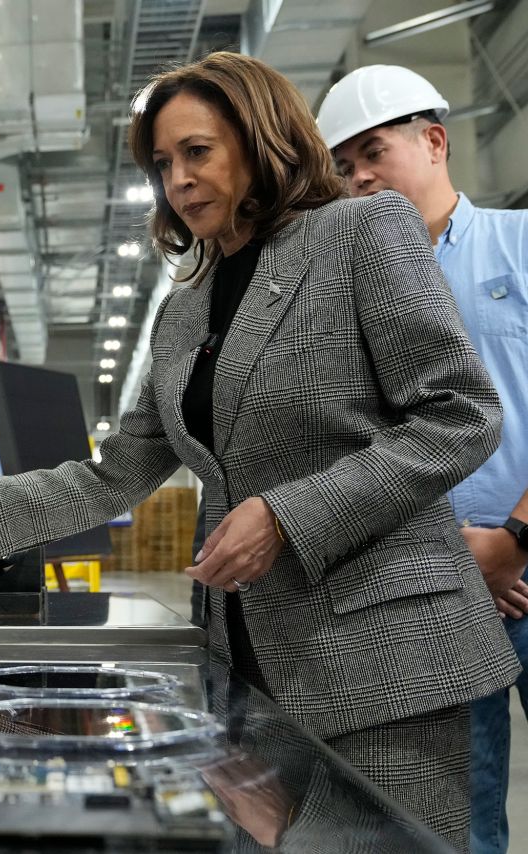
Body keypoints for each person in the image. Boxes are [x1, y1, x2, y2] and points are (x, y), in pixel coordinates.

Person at [0, 51, 519, 848]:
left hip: (385, 665)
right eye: (161, 163)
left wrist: (286, 516)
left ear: (259, 138)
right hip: (249, 664)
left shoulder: (362, 230)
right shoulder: (187, 306)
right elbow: (119, 470)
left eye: (197, 152)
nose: (176, 179)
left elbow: (460, 413)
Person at [318, 64, 528, 854]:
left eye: (372, 153)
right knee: (458, 821)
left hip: (524, 555)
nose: (359, 178)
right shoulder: (345, 296)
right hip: (427, 583)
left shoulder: (523, 246)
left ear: (434, 141)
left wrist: (513, 541)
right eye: (343, 168)